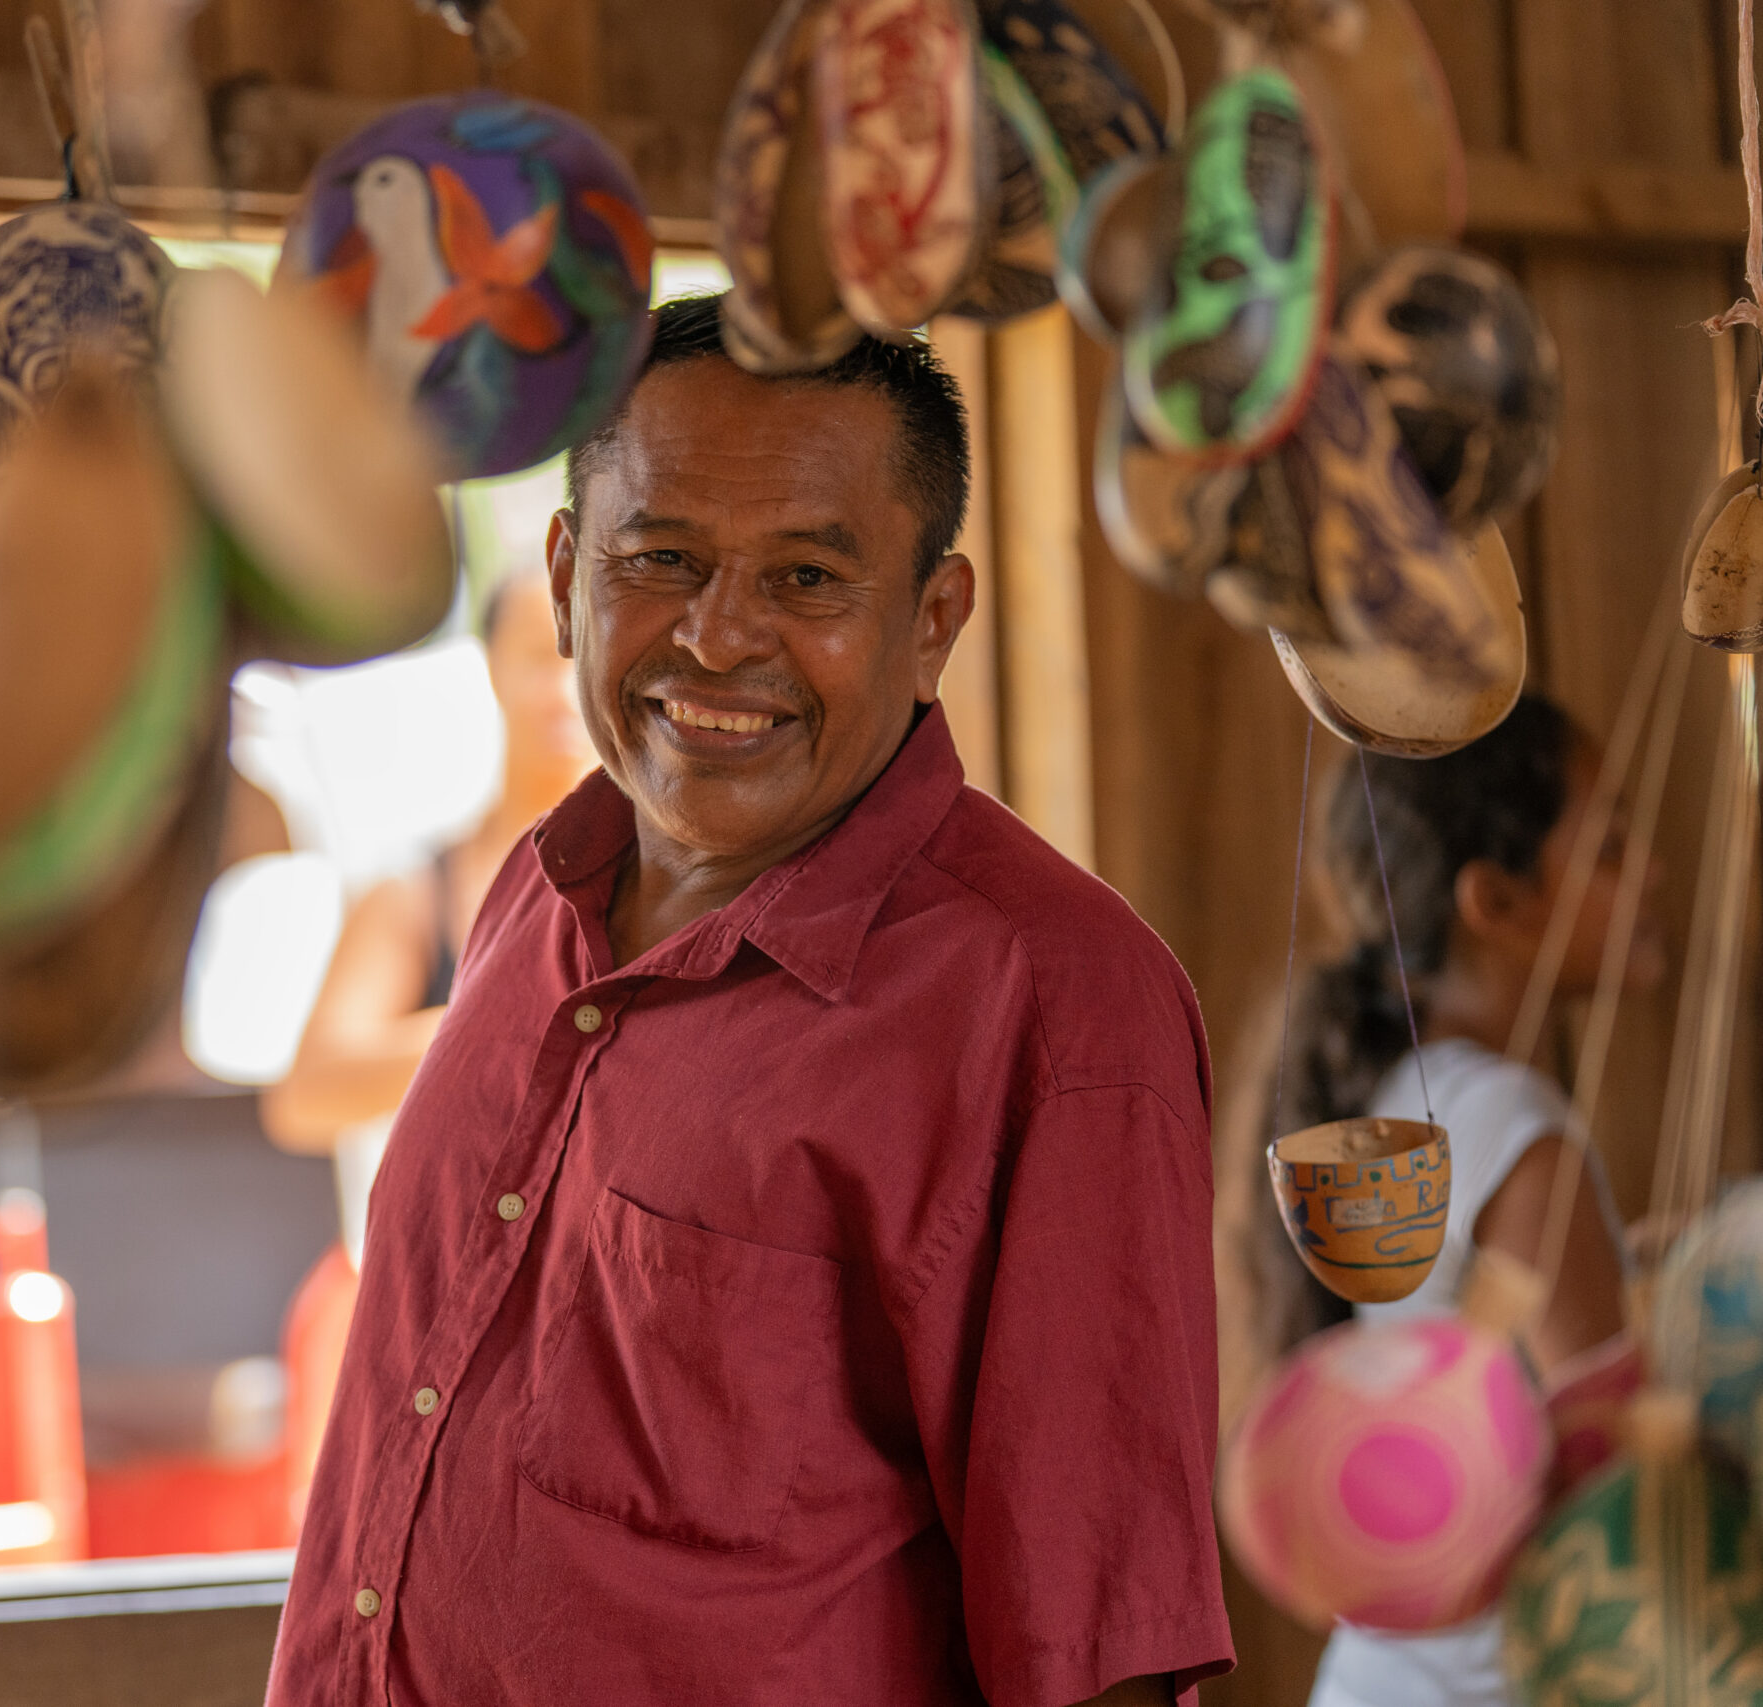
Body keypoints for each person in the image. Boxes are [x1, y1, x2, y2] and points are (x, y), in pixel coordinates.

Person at [265, 294, 1233, 1707]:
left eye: (807, 579)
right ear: (564, 573)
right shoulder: (536, 890)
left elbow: (1095, 1651)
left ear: (934, 619)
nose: (717, 640)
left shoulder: (1054, 1003)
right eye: (661, 558)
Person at [1227, 696, 1657, 1707]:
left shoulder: (1387, 1101)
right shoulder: (1514, 1123)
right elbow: (1615, 1476)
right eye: (1607, 848)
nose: (1651, 871)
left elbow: (1479, 1345)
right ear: (1495, 904)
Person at [262, 567, 597, 1263]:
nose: (562, 691)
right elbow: (306, 1095)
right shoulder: (417, 888)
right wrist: (519, 1024)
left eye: (586, 657)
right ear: (490, 667)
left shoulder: (686, 891)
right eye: (540, 657)